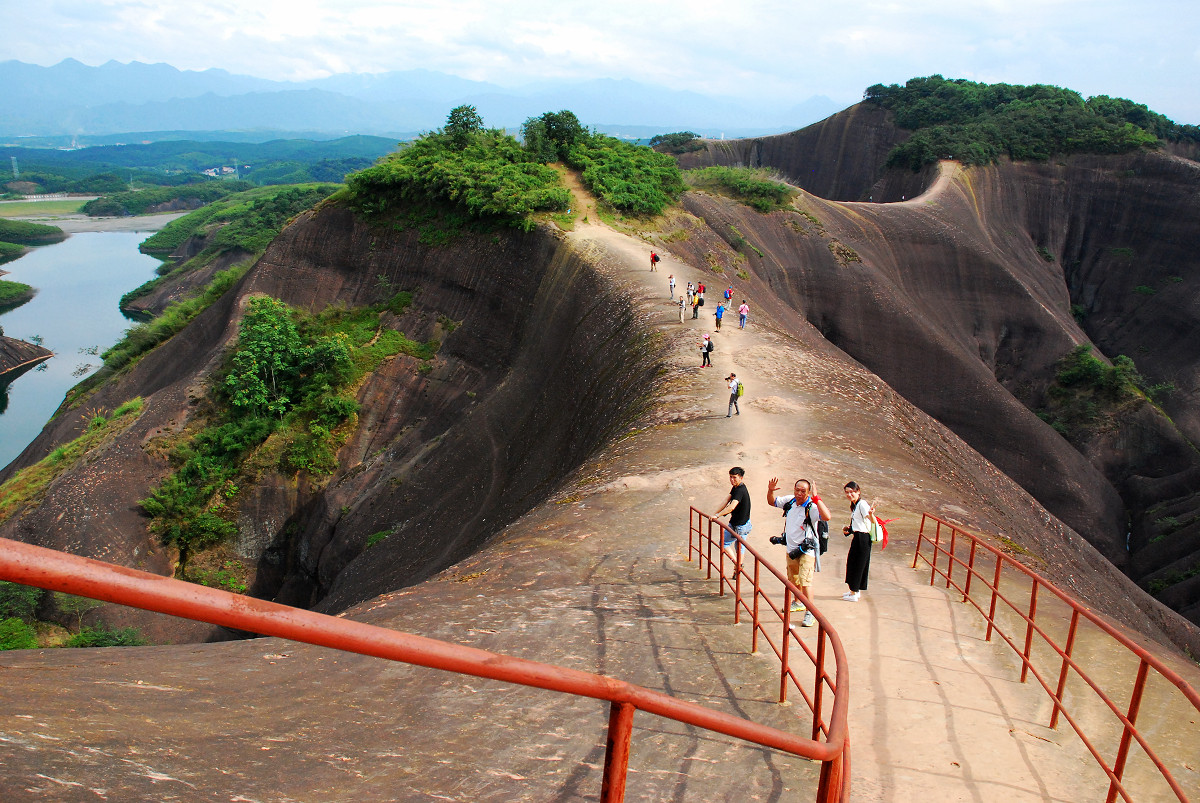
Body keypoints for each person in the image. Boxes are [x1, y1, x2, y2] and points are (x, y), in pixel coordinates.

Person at [766, 477, 832, 626]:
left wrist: (816, 498)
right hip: (791, 549)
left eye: (803, 491)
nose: (799, 493)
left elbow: (827, 516)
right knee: (793, 579)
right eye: (797, 490)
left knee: (806, 581)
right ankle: (798, 602)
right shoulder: (790, 502)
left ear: (808, 493)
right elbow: (772, 502)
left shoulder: (812, 507)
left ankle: (811, 612)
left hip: (807, 551)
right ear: (794, 489)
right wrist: (770, 490)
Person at [842, 481, 875, 601]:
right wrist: (849, 530)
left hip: (862, 539)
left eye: (852, 492)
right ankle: (854, 590)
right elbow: (859, 523)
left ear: (858, 492)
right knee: (853, 563)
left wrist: (871, 514)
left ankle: (854, 593)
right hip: (858, 536)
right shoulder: (855, 505)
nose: (849, 494)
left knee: (858, 565)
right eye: (847, 492)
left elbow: (871, 520)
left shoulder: (862, 504)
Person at [714, 466, 752, 555]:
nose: (732, 479)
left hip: (740, 526)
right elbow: (726, 500)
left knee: (729, 545)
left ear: (741, 478)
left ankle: (738, 566)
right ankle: (738, 566)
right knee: (738, 548)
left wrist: (717, 516)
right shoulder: (736, 487)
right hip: (739, 523)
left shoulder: (740, 490)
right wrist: (715, 514)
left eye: (734, 477)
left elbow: (731, 507)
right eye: (730, 477)